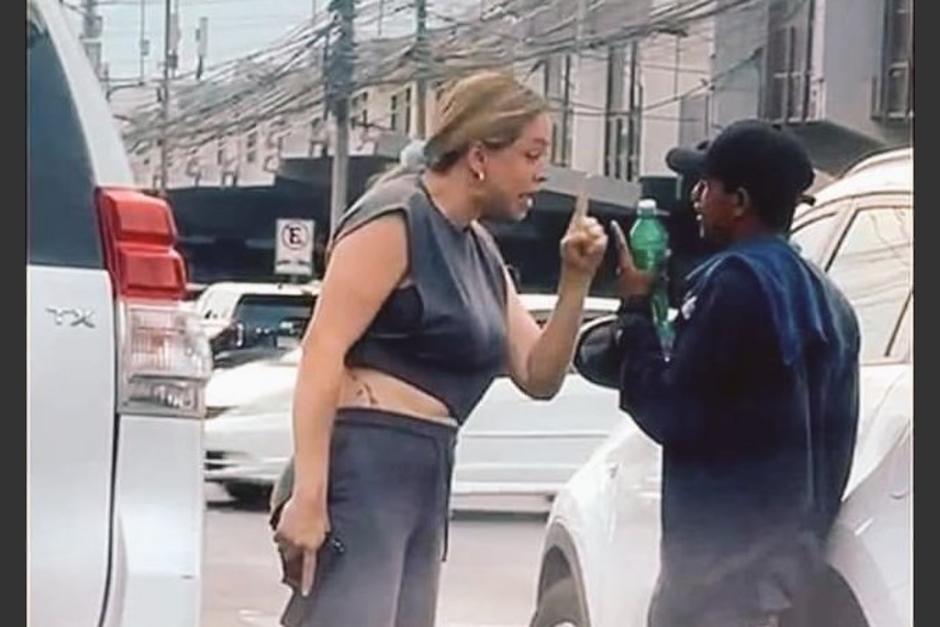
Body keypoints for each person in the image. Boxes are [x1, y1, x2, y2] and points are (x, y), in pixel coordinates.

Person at [271, 71, 608, 627]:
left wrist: (576, 280)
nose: (541, 173)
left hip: (428, 469)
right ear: (479, 156)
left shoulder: (479, 249)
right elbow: (322, 349)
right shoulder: (397, 216)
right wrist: (309, 494)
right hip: (367, 461)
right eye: (530, 154)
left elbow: (539, 376)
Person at [583, 120, 861, 627]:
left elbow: (672, 412)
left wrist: (636, 309)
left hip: (717, 579)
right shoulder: (829, 299)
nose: (695, 197)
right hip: (788, 577)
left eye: (706, 185)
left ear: (738, 201)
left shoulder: (734, 281)